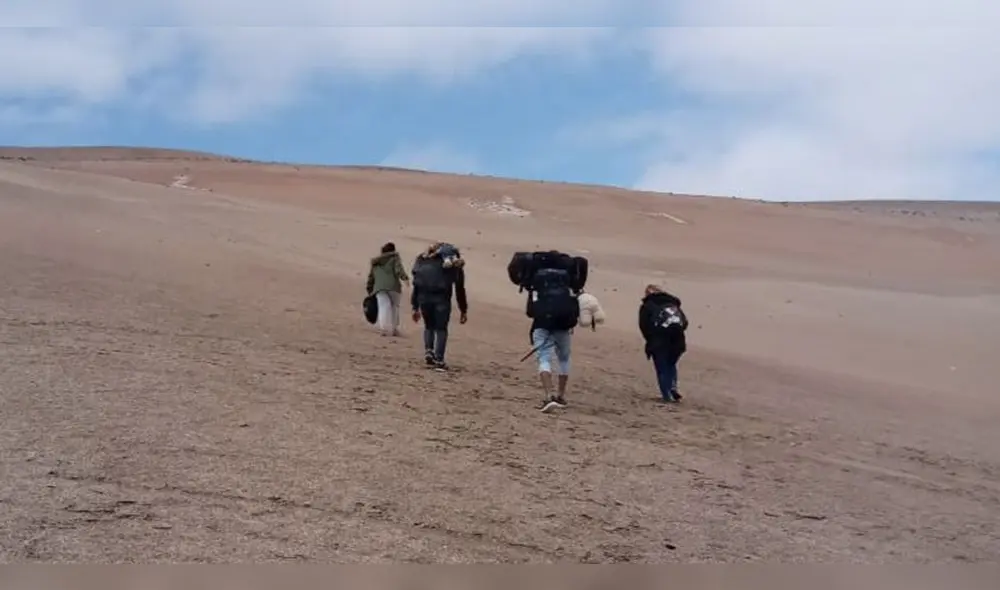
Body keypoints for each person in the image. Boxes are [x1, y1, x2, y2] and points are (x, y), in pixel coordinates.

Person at [524, 252, 585, 413]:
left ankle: (548, 395)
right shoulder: (568, 282)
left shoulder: (537, 282)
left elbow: (530, 311)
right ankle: (561, 395)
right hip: (563, 326)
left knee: (544, 358)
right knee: (563, 359)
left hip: (541, 325)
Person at [410, 242, 468, 371]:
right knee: (441, 329)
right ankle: (439, 359)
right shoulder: (454, 266)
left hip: (424, 299)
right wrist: (463, 310)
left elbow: (417, 285)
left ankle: (429, 351)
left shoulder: (423, 261)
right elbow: (459, 289)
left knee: (429, 326)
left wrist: (415, 306)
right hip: (442, 300)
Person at [638, 284, 689, 403]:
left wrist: (650, 340)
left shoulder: (647, 306)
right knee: (671, 364)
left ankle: (666, 395)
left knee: (661, 368)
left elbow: (644, 326)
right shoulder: (673, 304)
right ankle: (673, 387)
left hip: (659, 340)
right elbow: (685, 322)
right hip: (678, 340)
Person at [366, 242, 409, 337]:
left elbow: (371, 278)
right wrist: (405, 278)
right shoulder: (395, 258)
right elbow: (398, 270)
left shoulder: (376, 263)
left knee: (383, 307)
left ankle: (384, 329)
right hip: (394, 287)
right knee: (395, 307)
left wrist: (369, 289)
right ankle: (394, 329)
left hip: (379, 288)